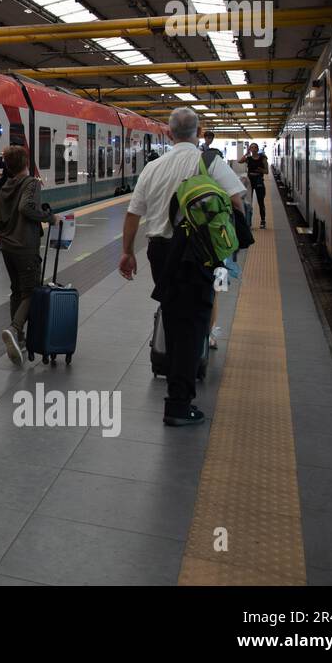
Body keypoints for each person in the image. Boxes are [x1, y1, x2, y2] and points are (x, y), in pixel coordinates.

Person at [119, 107, 244, 426]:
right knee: (194, 325)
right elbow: (236, 202)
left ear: (169, 134)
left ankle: (176, 384)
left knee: (174, 319)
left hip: (161, 252)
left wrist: (127, 252)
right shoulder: (211, 161)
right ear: (199, 133)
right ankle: (178, 403)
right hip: (198, 253)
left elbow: (133, 213)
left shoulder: (153, 167)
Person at [0, 144, 55, 364]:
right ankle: (15, 327)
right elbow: (26, 207)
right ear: (26, 162)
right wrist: (48, 217)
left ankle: (18, 338)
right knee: (31, 291)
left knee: (16, 291)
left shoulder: (5, 186)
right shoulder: (31, 183)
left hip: (7, 247)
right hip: (24, 246)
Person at [244, 142, 269, 228]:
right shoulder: (248, 158)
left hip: (258, 181)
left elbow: (267, 171)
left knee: (260, 202)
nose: (253, 149)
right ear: (250, 149)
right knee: (248, 202)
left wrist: (260, 170)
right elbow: (239, 161)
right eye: (251, 148)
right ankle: (248, 221)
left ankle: (263, 221)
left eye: (255, 147)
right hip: (250, 182)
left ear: (257, 149)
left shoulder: (263, 158)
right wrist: (246, 153)